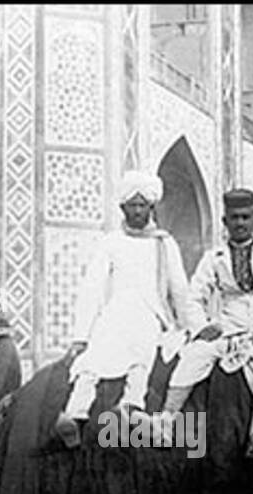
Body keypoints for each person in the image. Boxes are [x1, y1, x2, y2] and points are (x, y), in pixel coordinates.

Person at [55, 171, 193, 448]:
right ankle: (74, 414)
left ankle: (131, 404)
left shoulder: (164, 243)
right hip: (116, 311)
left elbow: (178, 288)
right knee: (92, 358)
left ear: (151, 208)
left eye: (143, 205)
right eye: (133, 205)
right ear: (123, 208)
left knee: (141, 352)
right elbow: (93, 287)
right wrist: (81, 335)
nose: (138, 211)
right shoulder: (111, 243)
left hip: (151, 312)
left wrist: (188, 326)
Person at [157, 188, 253, 458]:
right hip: (225, 329)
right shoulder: (213, 257)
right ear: (225, 221)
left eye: (246, 217)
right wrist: (203, 327)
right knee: (194, 355)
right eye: (234, 218)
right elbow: (193, 297)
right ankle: (167, 420)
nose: (240, 223)